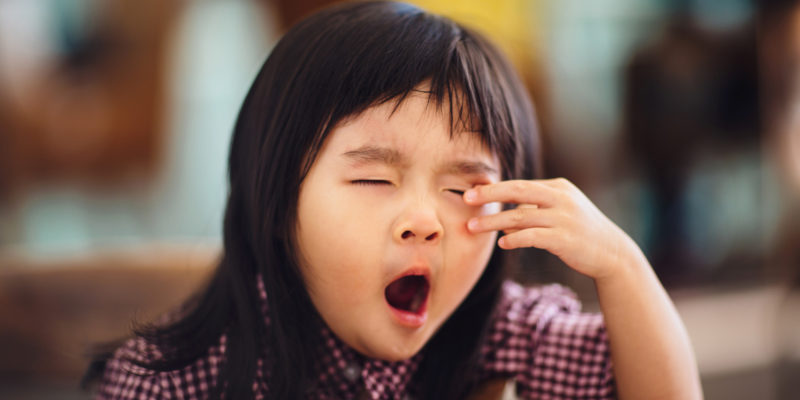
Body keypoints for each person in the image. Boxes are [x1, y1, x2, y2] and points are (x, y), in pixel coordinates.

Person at [86, 1, 702, 399]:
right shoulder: (178, 378)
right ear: (276, 200)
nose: (425, 222)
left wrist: (622, 264)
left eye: (465, 189)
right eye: (375, 181)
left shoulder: (509, 333)